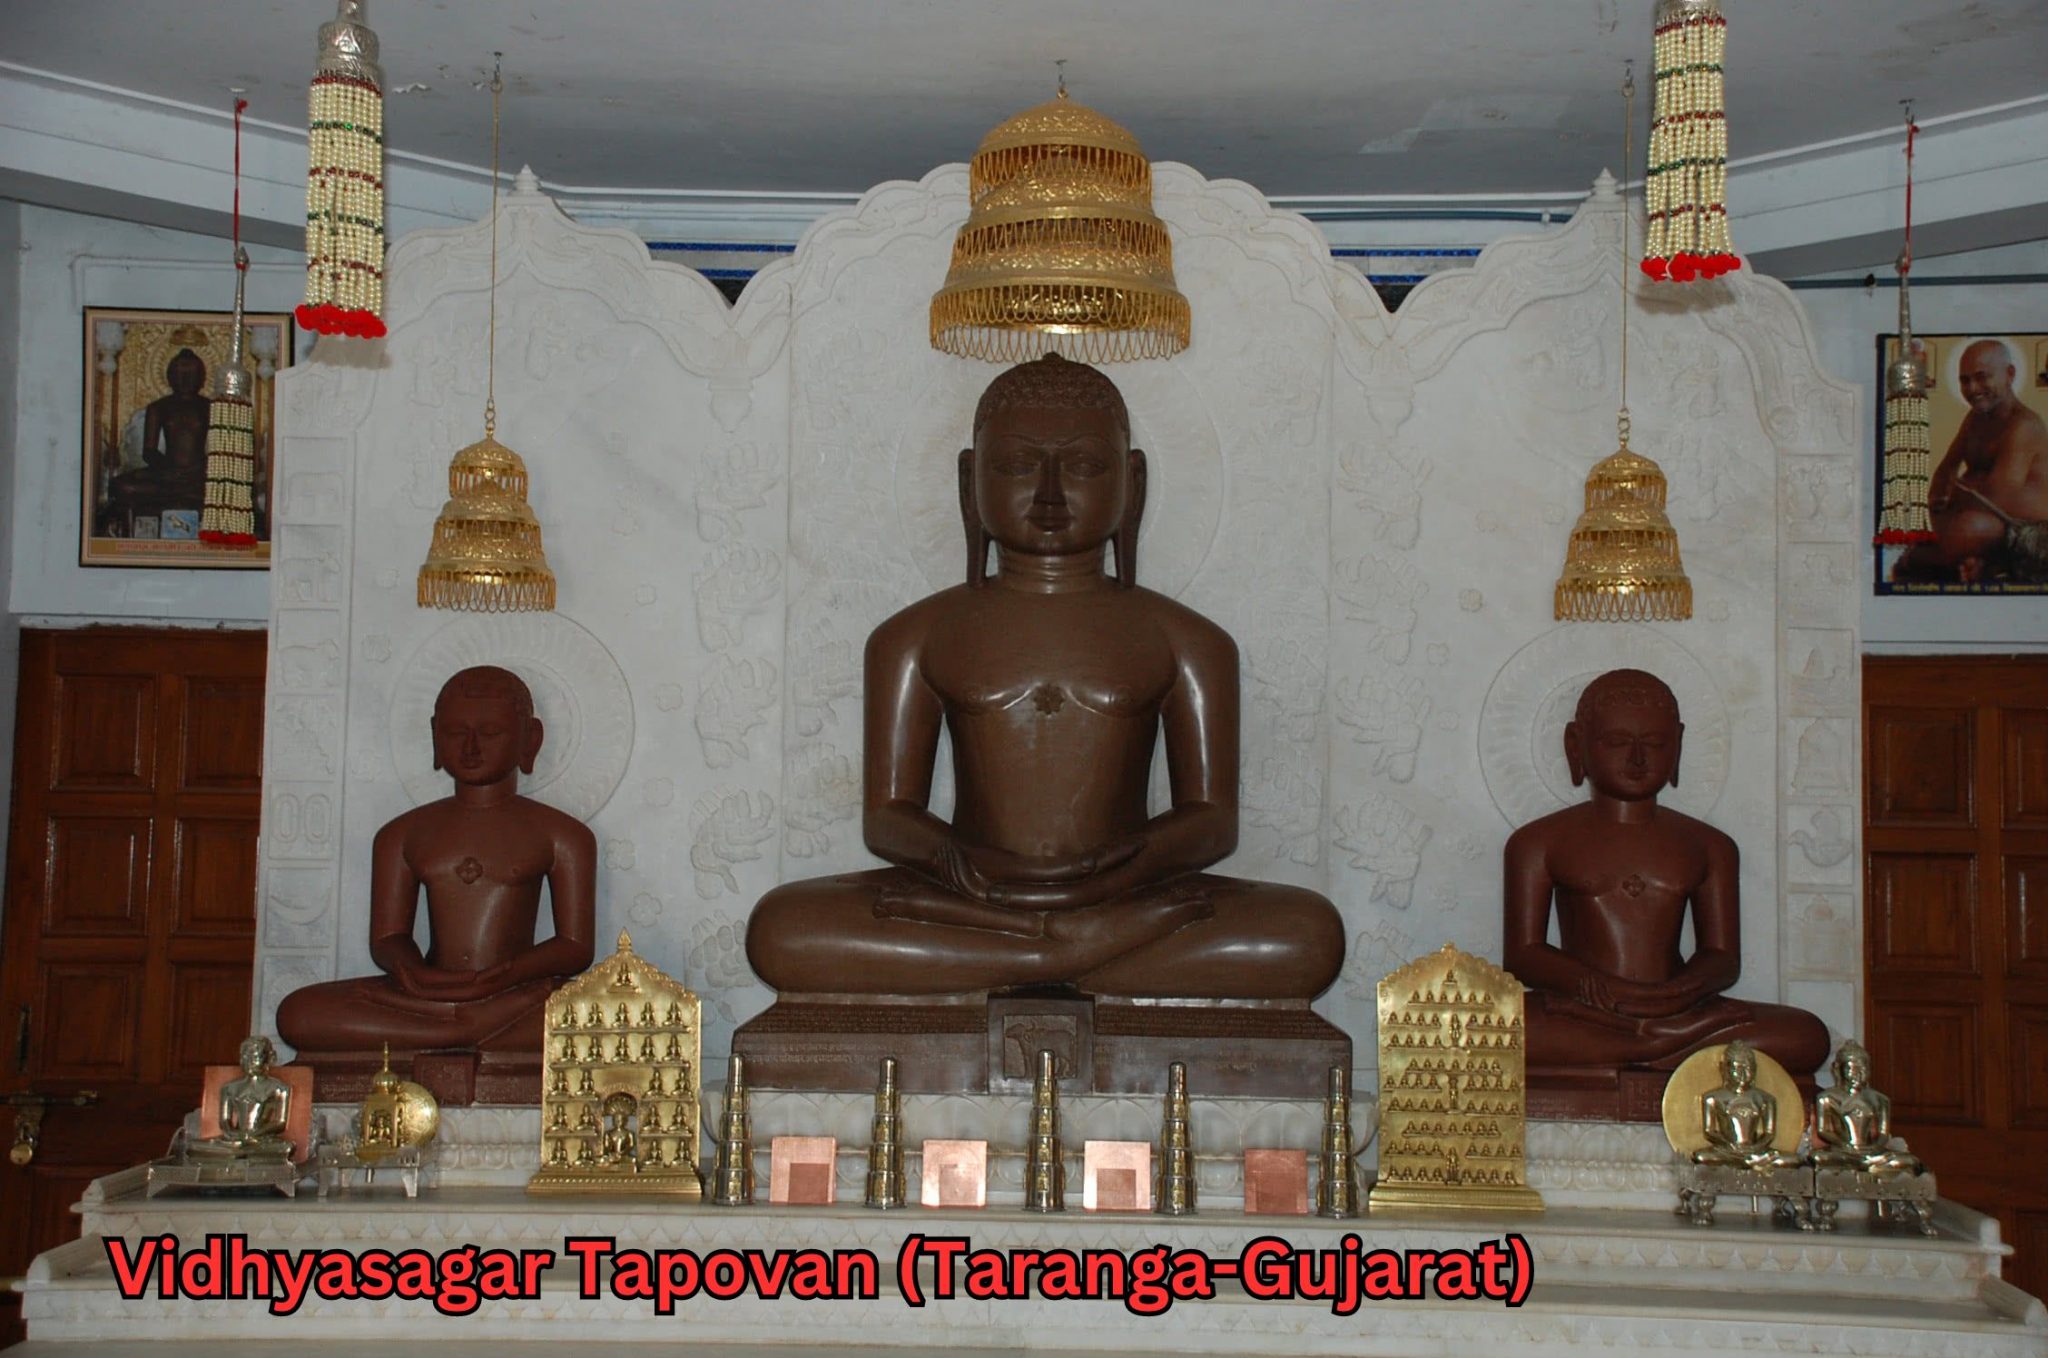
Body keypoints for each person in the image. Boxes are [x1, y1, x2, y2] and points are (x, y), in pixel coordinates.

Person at [745, 355, 1342, 1000]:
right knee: (782, 927)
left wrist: (1120, 871)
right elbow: (888, 817)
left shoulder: (1189, 640)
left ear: (1132, 481)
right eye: (1016, 466)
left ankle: (1027, 954)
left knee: (1307, 933)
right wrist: (959, 860)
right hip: (973, 895)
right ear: (970, 479)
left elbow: (1212, 821)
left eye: (1084, 466)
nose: (1051, 494)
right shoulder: (912, 636)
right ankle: (1073, 952)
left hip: (1123, 895)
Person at [1503, 669, 1829, 1079]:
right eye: (1617, 742)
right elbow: (1523, 955)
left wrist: (1680, 992)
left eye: (1655, 744)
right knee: (1488, 1031)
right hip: (1585, 1010)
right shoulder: (1537, 842)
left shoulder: (1710, 845)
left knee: (1807, 1034)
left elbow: (1722, 958)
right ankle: (1659, 1045)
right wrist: (1596, 987)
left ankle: (1645, 1042)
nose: (1637, 759)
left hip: (1681, 1008)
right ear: (1576, 745)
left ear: (1678, 744)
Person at [276, 666, 597, 1054]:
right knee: (298, 1013)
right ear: (435, 735)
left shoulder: (563, 834)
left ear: (530, 739)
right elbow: (388, 938)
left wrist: (507, 975)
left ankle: (457, 1032)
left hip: (517, 994)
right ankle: (467, 1031)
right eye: (456, 732)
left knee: (609, 1013)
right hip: (426, 997)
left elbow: (574, 947)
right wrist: (413, 972)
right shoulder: (401, 833)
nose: (471, 747)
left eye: (491, 733)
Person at [1896, 339, 2048, 584]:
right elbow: (1947, 469)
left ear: (2009, 374)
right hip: (1979, 513)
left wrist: (1960, 490)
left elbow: (1997, 496)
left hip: (2022, 527)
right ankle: (1967, 561)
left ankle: (1962, 560)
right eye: (1965, 380)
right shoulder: (1976, 418)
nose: (1973, 388)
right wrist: (1938, 503)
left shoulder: (2024, 425)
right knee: (1914, 519)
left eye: (1981, 377)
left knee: (1967, 528)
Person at [105, 348, 212, 527]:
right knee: (120, 486)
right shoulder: (158, 407)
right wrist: (168, 470)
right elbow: (149, 451)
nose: (185, 380)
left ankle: (178, 499)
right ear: (170, 377)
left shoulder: (210, 407)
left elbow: (221, 450)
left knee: (234, 490)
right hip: (166, 475)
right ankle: (185, 499)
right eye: (180, 374)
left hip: (198, 476)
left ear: (201, 378)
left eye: (191, 375)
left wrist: (201, 468)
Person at [1813, 1040, 1923, 1177]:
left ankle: (1867, 1166)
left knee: (1909, 1161)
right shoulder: (1827, 1097)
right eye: (1851, 1069)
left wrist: (1874, 1147)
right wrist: (1844, 1145)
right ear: (1839, 1069)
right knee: (1819, 1158)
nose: (1857, 1074)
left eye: (1863, 1069)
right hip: (1843, 1152)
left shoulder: (1880, 1099)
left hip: (1871, 1154)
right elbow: (1824, 1131)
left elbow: (1883, 1134)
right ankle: (1865, 1167)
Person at [1692, 1040, 1802, 1169]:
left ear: (1754, 1070)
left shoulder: (1766, 1098)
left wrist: (1755, 1147)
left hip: (1756, 1151)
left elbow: (1769, 1134)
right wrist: (1730, 1145)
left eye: (1748, 1068)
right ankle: (1750, 1163)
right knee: (1702, 1157)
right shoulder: (1712, 1098)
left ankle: (1749, 1162)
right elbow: (1709, 1131)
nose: (1743, 1074)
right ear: (1725, 1069)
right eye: (1737, 1069)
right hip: (1727, 1151)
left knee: (1793, 1160)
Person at [188, 1035, 294, 1162]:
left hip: (261, 1140)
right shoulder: (229, 1088)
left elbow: (280, 1123)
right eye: (244, 1057)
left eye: (255, 1057)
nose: (249, 1062)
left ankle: (241, 1153)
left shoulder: (279, 1088)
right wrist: (233, 1134)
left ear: (270, 1058)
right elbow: (225, 1120)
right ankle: (235, 1152)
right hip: (234, 1139)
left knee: (285, 1148)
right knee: (195, 1146)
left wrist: (253, 1134)